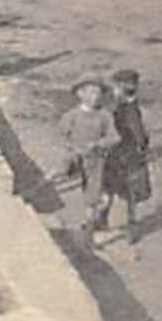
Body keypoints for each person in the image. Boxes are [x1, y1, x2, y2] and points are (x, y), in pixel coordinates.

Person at [58, 73, 119, 250]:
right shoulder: (71, 116)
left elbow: (114, 137)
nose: (95, 97)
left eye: (98, 93)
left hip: (98, 161)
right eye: (91, 93)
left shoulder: (104, 116)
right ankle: (88, 235)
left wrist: (99, 143)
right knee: (87, 196)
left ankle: (90, 231)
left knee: (99, 198)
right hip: (77, 158)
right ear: (80, 94)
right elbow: (63, 135)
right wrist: (71, 150)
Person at [105, 68, 153, 244]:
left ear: (122, 87)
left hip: (124, 154)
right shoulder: (125, 106)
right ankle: (125, 226)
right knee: (121, 190)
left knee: (122, 189)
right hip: (123, 153)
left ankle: (127, 227)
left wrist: (141, 145)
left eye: (116, 87)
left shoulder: (128, 109)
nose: (114, 90)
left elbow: (138, 133)